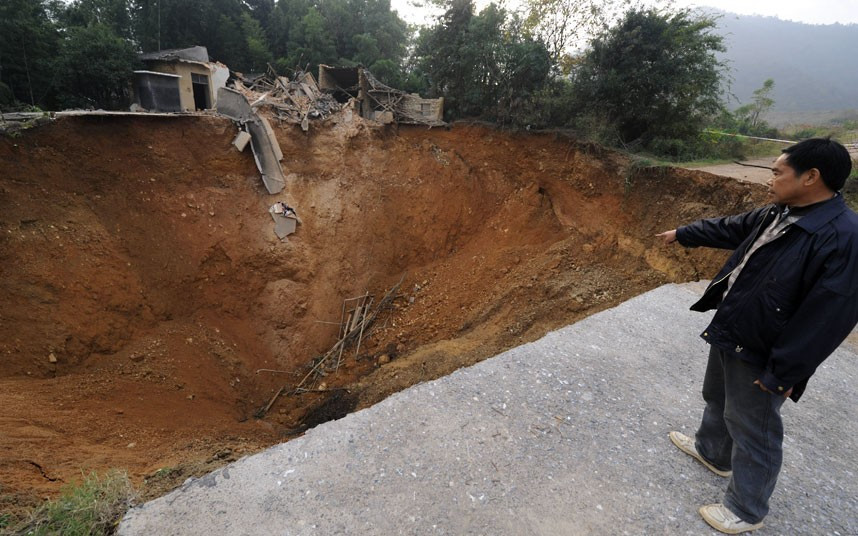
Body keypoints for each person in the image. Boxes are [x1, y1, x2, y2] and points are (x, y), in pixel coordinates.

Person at [656, 137, 858, 534]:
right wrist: (685, 233)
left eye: (778, 172)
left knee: (755, 427)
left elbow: (828, 317)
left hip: (767, 349)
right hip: (736, 325)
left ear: (810, 177)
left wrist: (783, 372)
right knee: (717, 395)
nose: (771, 178)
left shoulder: (843, 237)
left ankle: (747, 508)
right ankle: (712, 452)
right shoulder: (782, 212)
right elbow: (733, 227)